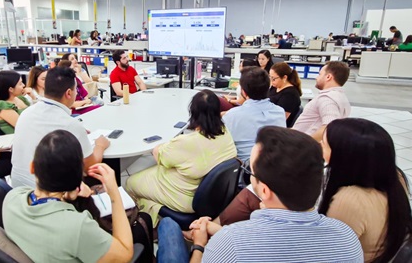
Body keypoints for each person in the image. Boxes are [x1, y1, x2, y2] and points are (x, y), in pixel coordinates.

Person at [157, 127, 364, 263]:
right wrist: (216, 230)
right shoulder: (346, 237)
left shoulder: (230, 244)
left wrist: (200, 245)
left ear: (264, 190)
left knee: (168, 226)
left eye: (250, 172)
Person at [3, 130, 134, 262]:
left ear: (32, 168)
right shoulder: (77, 227)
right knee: (141, 225)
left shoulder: (11, 198)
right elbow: (125, 254)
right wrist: (114, 194)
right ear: (79, 179)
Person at [125, 90, 237, 224]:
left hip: (185, 198)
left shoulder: (187, 142)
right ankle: (152, 216)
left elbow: (158, 154)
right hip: (212, 196)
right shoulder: (225, 132)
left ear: (193, 113)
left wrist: (164, 144)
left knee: (130, 182)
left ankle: (140, 224)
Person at [319, 118, 412, 263]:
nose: (320, 146)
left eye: (324, 144)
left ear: (343, 155)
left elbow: (331, 252)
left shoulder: (349, 200)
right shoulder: (395, 177)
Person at [11, 67, 110, 188]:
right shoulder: (70, 125)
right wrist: (100, 145)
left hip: (17, 188)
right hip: (45, 195)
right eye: (75, 90)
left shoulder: (27, 113)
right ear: (69, 93)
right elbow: (90, 167)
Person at [222, 66, 286, 161]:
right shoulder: (280, 112)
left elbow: (222, 145)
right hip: (274, 166)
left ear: (243, 92)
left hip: (243, 169)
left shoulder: (232, 115)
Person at [293, 61, 351, 142]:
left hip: (302, 145)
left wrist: (306, 144)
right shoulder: (340, 96)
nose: (316, 77)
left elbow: (329, 127)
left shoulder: (327, 99)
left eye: (320, 74)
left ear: (328, 77)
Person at [268, 62, 302, 127]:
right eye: (270, 77)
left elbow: (281, 119)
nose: (271, 81)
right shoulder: (275, 87)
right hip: (269, 118)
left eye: (274, 79)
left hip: (277, 127)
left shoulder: (290, 94)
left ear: (284, 78)